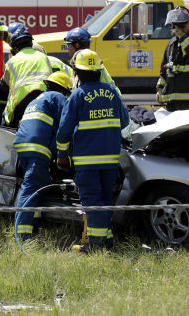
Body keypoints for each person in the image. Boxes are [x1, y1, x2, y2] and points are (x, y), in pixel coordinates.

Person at [55, 49, 129, 253]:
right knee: (105, 200)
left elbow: (64, 131)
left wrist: (61, 155)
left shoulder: (78, 95)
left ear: (78, 73)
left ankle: (95, 246)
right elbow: (125, 121)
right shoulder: (112, 91)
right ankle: (107, 240)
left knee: (92, 201)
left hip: (87, 160)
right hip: (110, 159)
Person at [14, 72, 72, 240]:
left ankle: (34, 224)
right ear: (64, 90)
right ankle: (23, 235)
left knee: (37, 183)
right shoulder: (57, 97)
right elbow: (66, 124)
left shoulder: (37, 99)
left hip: (23, 145)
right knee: (32, 186)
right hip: (37, 147)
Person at [156, 6, 189, 111]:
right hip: (173, 104)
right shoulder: (172, 43)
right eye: (176, 26)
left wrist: (183, 37)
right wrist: (160, 88)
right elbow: (164, 68)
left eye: (181, 26)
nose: (178, 29)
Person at [1, 27, 54, 127]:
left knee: (5, 120)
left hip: (22, 102)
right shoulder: (44, 57)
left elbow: (5, 85)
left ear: (15, 48)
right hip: (45, 98)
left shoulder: (11, 62)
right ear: (31, 43)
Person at [64, 27, 119, 93]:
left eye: (68, 45)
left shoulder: (82, 66)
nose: (68, 49)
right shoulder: (95, 62)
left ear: (77, 45)